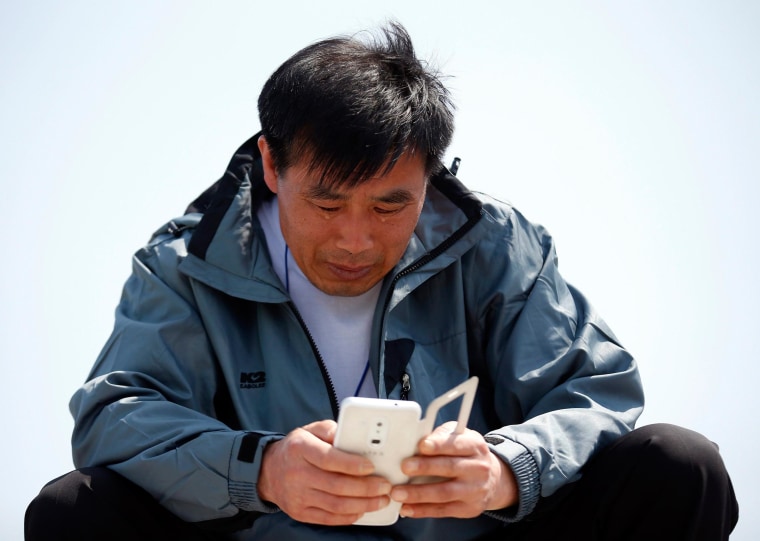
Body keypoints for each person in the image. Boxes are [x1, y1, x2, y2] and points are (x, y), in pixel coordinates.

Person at [25, 22, 738, 540]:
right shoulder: (183, 265)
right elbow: (112, 418)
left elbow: (597, 389)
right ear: (272, 167)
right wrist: (262, 469)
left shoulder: (495, 243)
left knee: (679, 465)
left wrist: (508, 471)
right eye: (328, 203)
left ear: (429, 175)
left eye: (391, 204)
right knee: (72, 508)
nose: (356, 239)